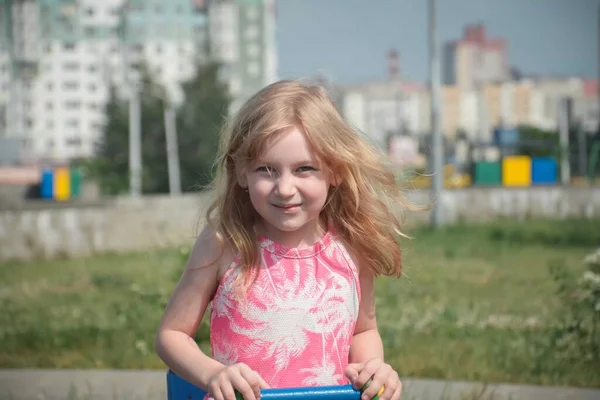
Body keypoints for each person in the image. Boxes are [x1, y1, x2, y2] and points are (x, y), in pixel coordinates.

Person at [155, 80, 412, 400]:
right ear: (241, 173)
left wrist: (374, 368)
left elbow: (363, 330)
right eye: (266, 169)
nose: (285, 188)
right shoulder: (225, 243)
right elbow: (171, 334)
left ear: (335, 171)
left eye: (304, 169)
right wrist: (214, 374)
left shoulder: (351, 249)